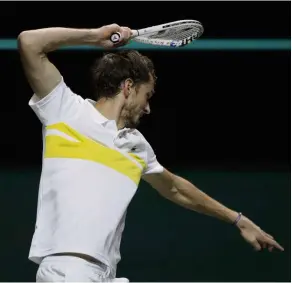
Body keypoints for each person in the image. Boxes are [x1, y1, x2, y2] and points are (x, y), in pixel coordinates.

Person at [18, 24, 284, 282]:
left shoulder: (137, 145)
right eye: (147, 96)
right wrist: (94, 37)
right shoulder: (65, 111)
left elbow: (176, 188)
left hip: (103, 273)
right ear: (128, 87)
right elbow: (29, 42)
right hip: (69, 270)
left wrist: (237, 220)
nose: (148, 109)